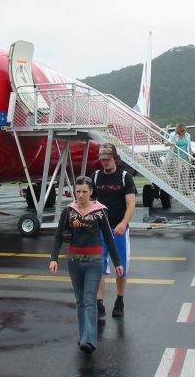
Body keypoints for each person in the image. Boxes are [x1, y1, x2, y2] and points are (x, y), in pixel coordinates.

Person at [49, 176, 123, 354]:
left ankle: (89, 340)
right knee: (80, 301)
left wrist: (117, 262)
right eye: (78, 191)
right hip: (74, 261)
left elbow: (109, 238)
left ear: (91, 192)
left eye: (84, 191)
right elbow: (59, 236)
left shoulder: (99, 211)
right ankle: (83, 336)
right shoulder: (69, 211)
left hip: (94, 262)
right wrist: (53, 258)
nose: (80, 195)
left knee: (90, 300)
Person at [91, 143, 137, 319]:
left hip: (118, 229)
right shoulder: (95, 177)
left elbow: (131, 204)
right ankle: (99, 303)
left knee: (121, 268)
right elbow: (89, 201)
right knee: (99, 266)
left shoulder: (125, 177)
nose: (105, 163)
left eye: (107, 160)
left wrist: (124, 223)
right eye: (102, 160)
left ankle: (120, 300)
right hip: (100, 229)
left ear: (115, 159)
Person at [167, 123, 192, 193]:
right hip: (176, 155)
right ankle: (174, 183)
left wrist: (191, 155)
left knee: (186, 173)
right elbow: (165, 143)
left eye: (184, 130)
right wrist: (171, 143)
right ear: (178, 130)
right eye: (181, 131)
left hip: (185, 156)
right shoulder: (173, 135)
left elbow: (189, 146)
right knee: (178, 169)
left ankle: (186, 190)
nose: (183, 132)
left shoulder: (187, 135)